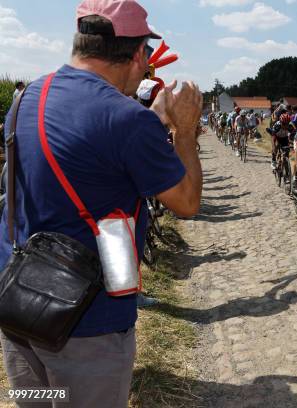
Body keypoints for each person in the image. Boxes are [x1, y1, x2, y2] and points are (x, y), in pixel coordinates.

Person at [0, 1, 203, 406]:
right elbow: (186, 203)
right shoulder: (128, 120)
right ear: (139, 56)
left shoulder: (26, 99)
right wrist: (184, 131)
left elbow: (88, 156)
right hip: (88, 322)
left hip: (19, 305)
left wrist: (155, 119)